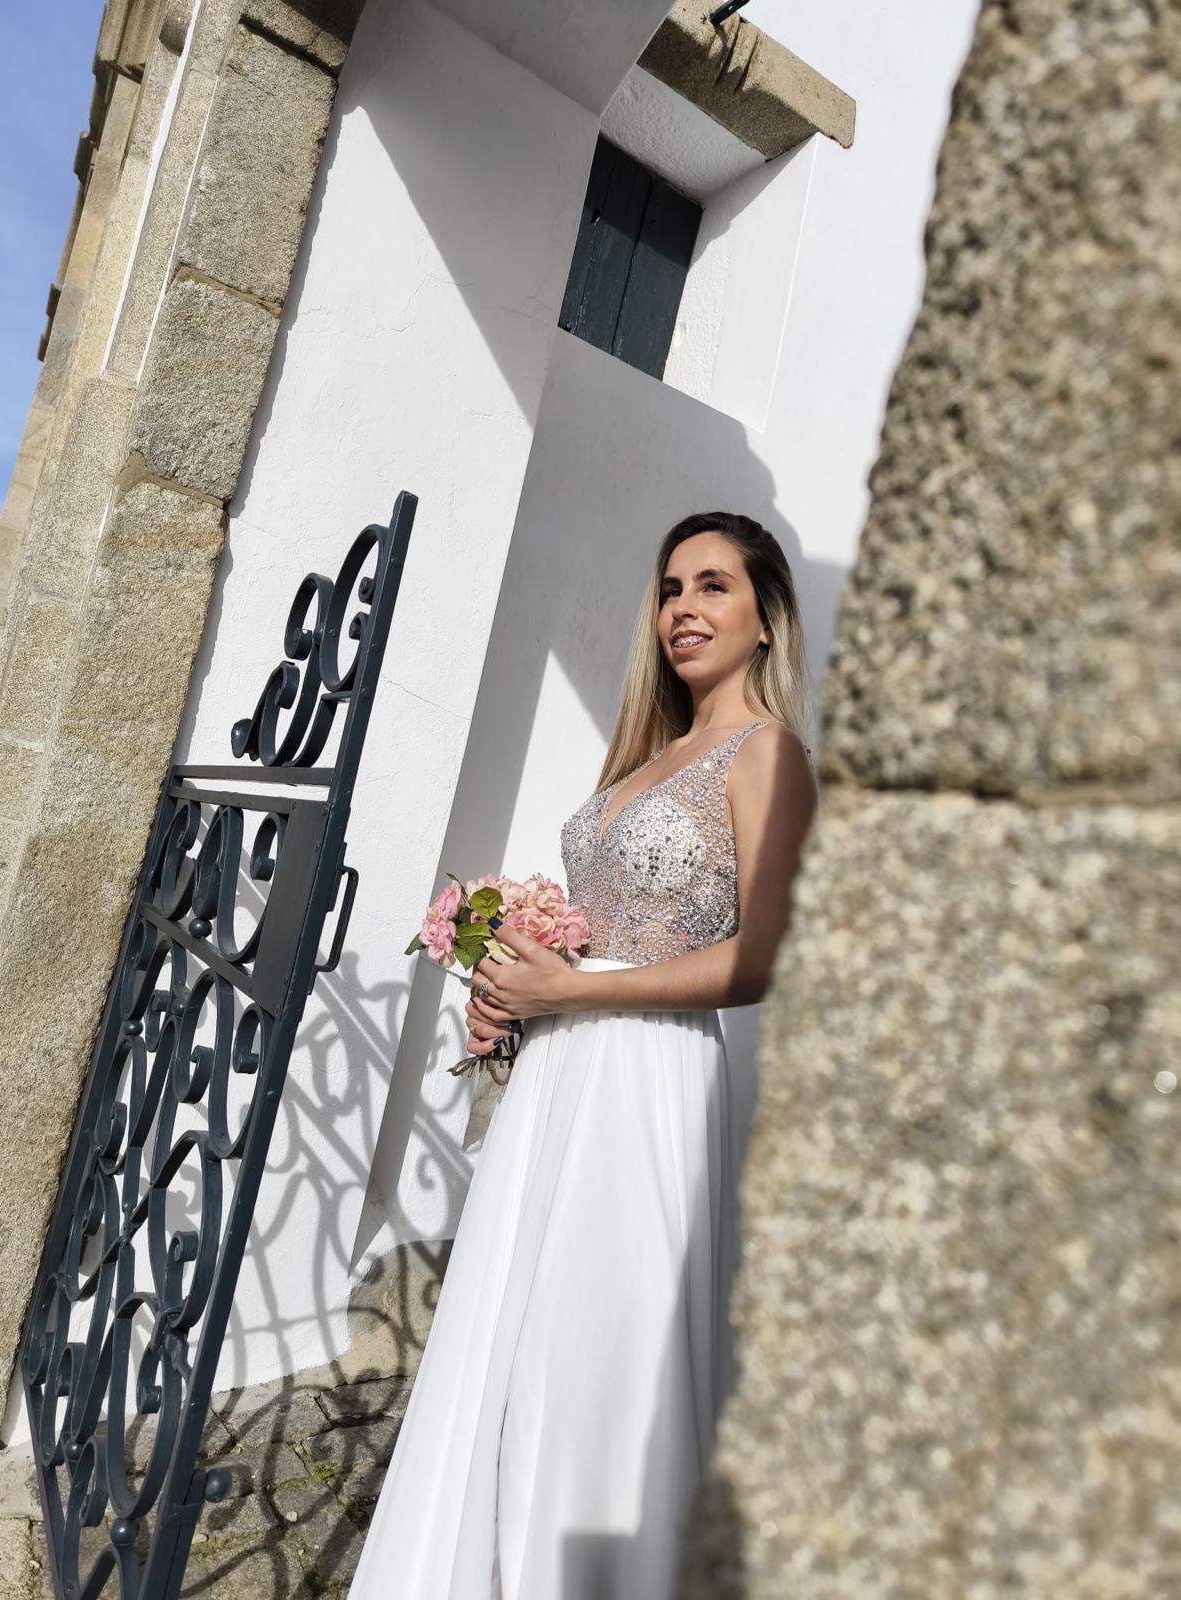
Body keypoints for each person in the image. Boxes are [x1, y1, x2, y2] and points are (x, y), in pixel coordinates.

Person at [346, 511, 819, 1600]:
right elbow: (595, 934)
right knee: (510, 1336)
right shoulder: (645, 758)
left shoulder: (766, 755)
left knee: (594, 1347)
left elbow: (770, 953)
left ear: (764, 620)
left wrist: (570, 987)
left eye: (712, 587)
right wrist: (510, 995)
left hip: (648, 1080)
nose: (683, 610)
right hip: (558, 1077)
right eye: (669, 590)